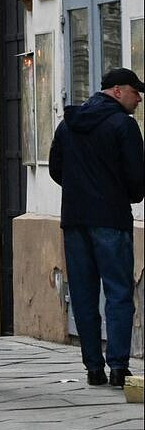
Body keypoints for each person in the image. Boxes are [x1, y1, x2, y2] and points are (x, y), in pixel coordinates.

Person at [50, 67, 145, 388]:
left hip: (75, 218)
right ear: (117, 91)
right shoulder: (123, 125)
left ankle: (93, 368)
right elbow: (136, 177)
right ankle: (118, 367)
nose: (139, 98)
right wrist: (125, 193)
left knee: (83, 294)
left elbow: (56, 169)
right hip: (111, 218)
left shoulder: (68, 124)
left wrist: (78, 189)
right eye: (135, 91)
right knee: (118, 292)